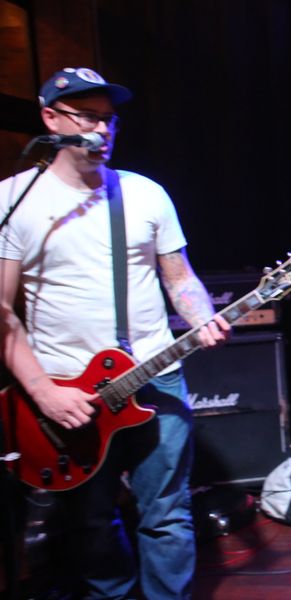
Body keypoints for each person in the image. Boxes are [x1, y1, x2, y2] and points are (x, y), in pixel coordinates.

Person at [0, 67, 230, 598]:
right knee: (90, 519)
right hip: (66, 389)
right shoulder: (14, 200)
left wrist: (200, 315)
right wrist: (42, 391)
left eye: (110, 120)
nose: (102, 130)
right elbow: (2, 313)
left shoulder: (144, 194)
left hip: (155, 375)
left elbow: (180, 279)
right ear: (50, 118)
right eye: (88, 117)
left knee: (167, 512)